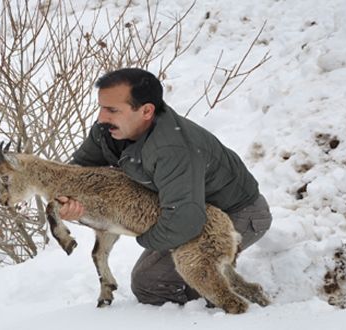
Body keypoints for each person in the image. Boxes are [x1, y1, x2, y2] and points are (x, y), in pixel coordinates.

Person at [57, 68, 272, 306]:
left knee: (152, 284)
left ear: (147, 111)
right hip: (189, 209)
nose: (101, 118)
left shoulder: (172, 149)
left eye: (112, 110)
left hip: (238, 214)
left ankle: (222, 303)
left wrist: (140, 236)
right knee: (160, 274)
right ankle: (228, 281)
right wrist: (66, 202)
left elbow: (185, 220)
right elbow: (75, 173)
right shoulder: (108, 131)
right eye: (101, 107)